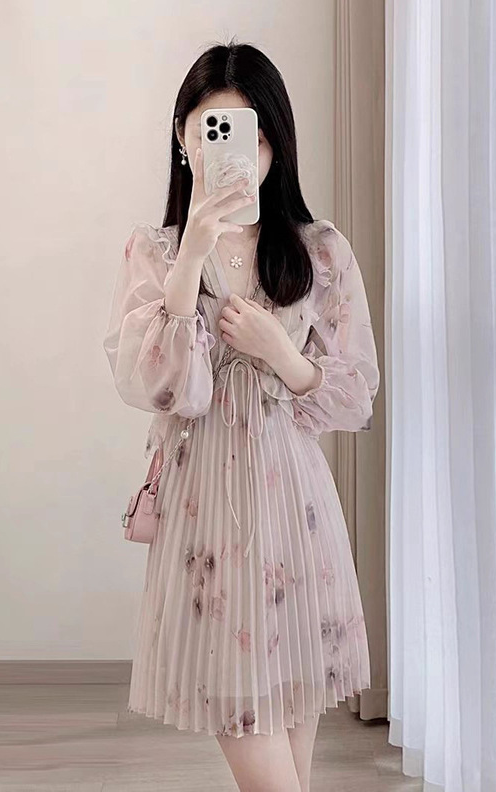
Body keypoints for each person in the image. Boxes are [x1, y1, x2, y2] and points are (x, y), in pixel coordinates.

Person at [103, 40, 380, 792]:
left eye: (251, 134)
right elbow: (160, 386)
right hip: (206, 518)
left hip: (296, 514)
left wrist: (282, 354)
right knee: (262, 755)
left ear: (275, 143)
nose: (234, 153)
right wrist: (191, 256)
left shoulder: (319, 251)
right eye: (212, 129)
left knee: (293, 766)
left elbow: (356, 395)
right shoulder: (155, 251)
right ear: (183, 137)